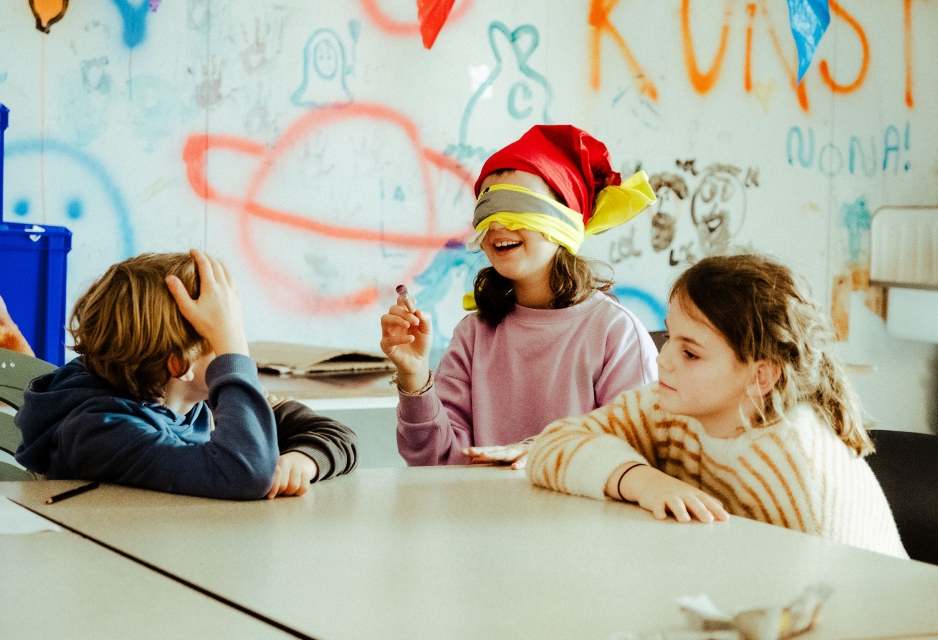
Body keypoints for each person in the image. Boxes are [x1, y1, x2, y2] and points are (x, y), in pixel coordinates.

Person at [528, 253, 907, 558]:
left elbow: (809, 606)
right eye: (670, 336)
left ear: (761, 377)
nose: (664, 359)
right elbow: (551, 446)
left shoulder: (793, 469)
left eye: (690, 352)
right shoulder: (671, 407)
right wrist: (643, 481)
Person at [381, 124, 659, 467]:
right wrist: (415, 378)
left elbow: (638, 449)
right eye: (487, 209)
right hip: (485, 515)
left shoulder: (614, 333)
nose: (497, 225)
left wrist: (547, 451)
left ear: (563, 221)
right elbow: (435, 460)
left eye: (516, 206)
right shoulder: (473, 335)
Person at [15, 250, 357, 500]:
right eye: (224, 338)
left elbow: (338, 435)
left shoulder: (200, 400)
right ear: (179, 365)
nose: (236, 353)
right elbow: (246, 474)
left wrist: (304, 459)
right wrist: (232, 351)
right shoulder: (100, 431)